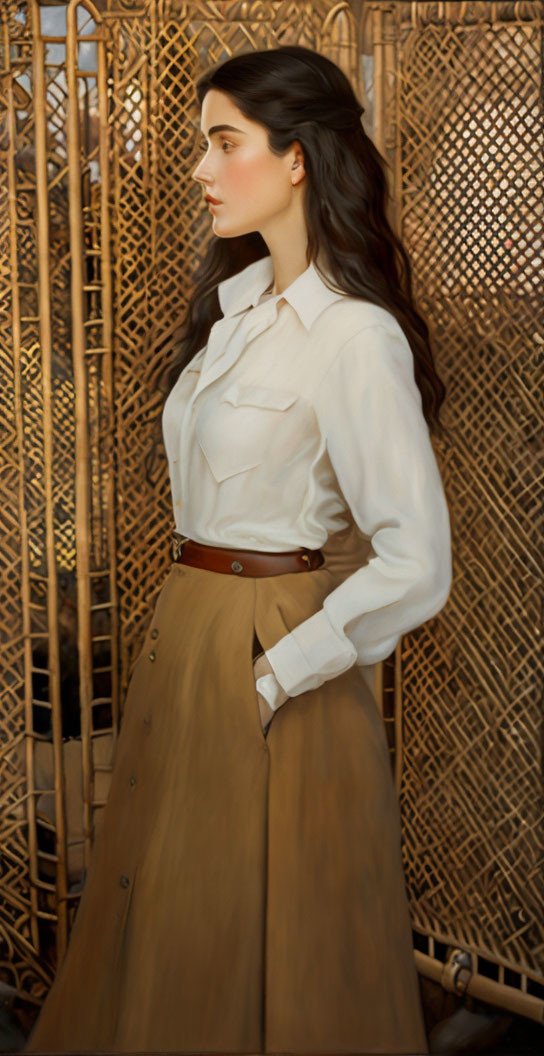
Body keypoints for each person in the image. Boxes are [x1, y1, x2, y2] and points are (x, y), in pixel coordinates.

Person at [25, 44, 452, 1055]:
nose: (200, 170)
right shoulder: (233, 314)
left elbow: (416, 559)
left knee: (282, 937)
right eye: (201, 144)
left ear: (297, 158)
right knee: (177, 914)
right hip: (188, 636)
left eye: (225, 143)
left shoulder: (353, 339)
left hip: (276, 662)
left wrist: (274, 677)